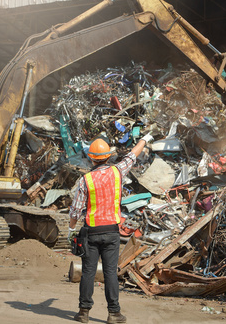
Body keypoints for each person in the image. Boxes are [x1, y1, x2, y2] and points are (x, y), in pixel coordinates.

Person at [68, 134, 153, 324]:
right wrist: (144, 140)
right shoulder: (117, 172)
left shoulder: (85, 180)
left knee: (88, 272)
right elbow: (132, 156)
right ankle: (114, 314)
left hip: (91, 232)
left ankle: (83, 312)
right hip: (112, 232)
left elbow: (75, 210)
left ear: (91, 158)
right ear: (108, 156)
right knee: (109, 273)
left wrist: (71, 226)